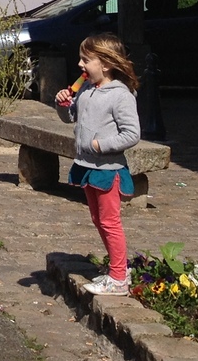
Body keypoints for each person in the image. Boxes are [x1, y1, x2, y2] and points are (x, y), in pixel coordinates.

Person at [56, 33, 141, 296]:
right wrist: (62, 105)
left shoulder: (121, 96)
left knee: (109, 221)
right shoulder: (86, 89)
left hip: (108, 170)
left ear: (105, 64)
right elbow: (70, 117)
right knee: (98, 219)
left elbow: (131, 134)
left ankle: (118, 278)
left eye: (86, 60)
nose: (80, 65)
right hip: (86, 166)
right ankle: (117, 268)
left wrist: (99, 145)